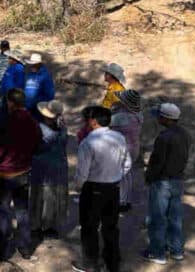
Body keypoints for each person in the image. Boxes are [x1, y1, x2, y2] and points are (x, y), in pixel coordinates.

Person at [72, 106, 131, 272]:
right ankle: (112, 262)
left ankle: (90, 265)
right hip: (113, 188)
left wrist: (79, 187)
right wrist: (115, 176)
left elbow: (82, 173)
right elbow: (127, 164)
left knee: (89, 227)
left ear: (93, 121)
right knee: (110, 227)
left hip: (93, 189)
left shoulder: (88, 142)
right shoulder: (119, 137)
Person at [0, 88, 42, 261]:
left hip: (5, 176)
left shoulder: (8, 122)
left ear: (11, 102)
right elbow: (37, 145)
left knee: (3, 213)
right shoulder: (33, 122)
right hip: (24, 173)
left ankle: (0, 251)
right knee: (22, 212)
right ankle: (25, 248)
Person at [142, 102, 191, 265]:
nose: (158, 118)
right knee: (175, 217)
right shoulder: (185, 134)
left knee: (157, 218)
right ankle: (176, 250)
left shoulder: (163, 138)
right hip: (178, 180)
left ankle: (157, 253)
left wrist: (149, 177)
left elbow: (157, 162)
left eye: (160, 116)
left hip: (162, 182)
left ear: (166, 118)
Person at [30, 100, 68, 241]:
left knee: (38, 197)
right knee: (53, 198)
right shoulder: (63, 128)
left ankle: (36, 227)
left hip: (41, 168)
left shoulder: (39, 129)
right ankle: (50, 227)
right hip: (59, 167)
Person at [110, 89, 144, 212]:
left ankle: (121, 202)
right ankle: (126, 200)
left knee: (121, 176)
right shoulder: (138, 114)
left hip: (124, 150)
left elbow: (106, 123)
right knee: (128, 174)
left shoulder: (121, 117)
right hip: (134, 147)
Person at [0, 49, 26, 131]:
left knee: (9, 111)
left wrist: (15, 95)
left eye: (10, 58)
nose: (8, 59)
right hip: (6, 94)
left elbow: (20, 83)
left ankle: (5, 127)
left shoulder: (19, 69)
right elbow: (6, 79)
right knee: (3, 110)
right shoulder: (11, 67)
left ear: (14, 59)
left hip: (12, 95)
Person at [24, 53, 55, 120]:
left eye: (34, 65)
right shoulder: (30, 74)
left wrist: (37, 102)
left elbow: (50, 95)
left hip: (38, 110)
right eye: (31, 64)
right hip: (27, 108)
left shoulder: (45, 76)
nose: (31, 66)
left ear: (39, 64)